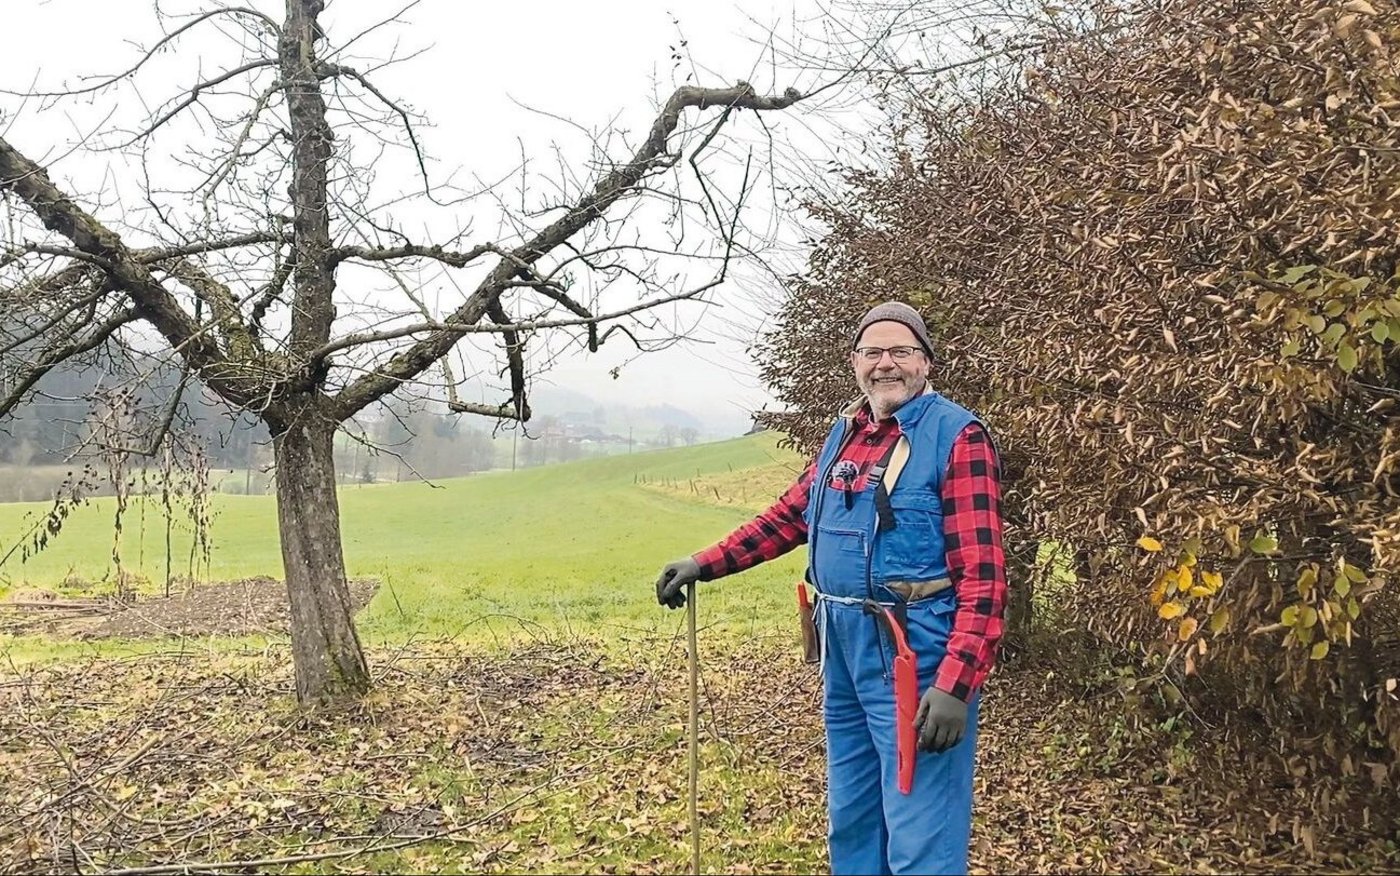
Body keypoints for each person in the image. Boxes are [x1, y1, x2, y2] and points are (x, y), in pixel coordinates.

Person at [655, 301, 1007, 876]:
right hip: (840, 647)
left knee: (921, 834)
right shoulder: (844, 436)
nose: (886, 364)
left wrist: (957, 685)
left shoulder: (957, 438)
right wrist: (704, 562)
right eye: (873, 352)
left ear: (926, 363)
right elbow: (791, 516)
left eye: (901, 352)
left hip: (913, 656)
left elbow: (985, 578)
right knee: (853, 817)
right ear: (855, 362)